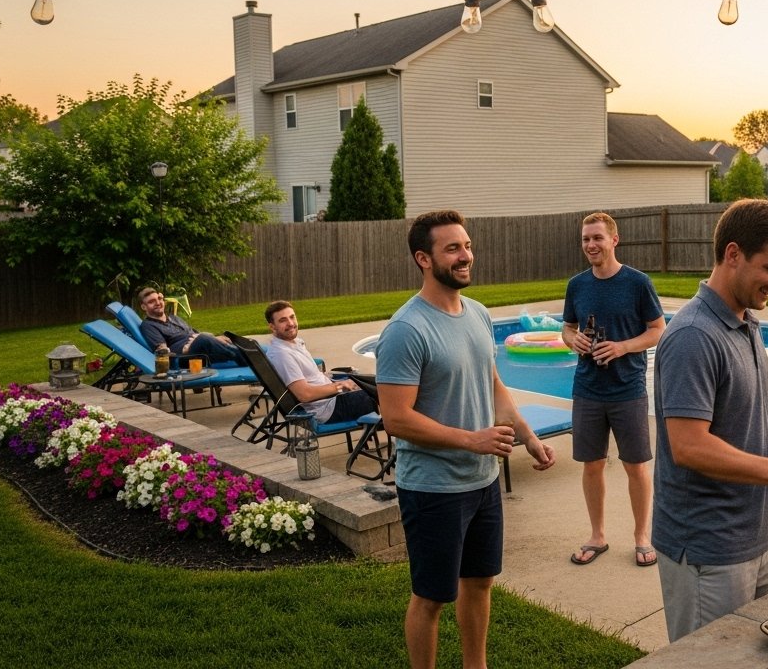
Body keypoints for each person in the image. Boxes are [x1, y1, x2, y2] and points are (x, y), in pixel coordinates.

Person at [652, 198, 768, 642]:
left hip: (748, 539)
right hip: (707, 547)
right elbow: (689, 445)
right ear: (733, 254)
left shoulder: (743, 321)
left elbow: (737, 410)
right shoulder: (694, 336)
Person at [375, 209, 557, 669]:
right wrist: (471, 441)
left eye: (467, 245)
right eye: (452, 248)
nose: (465, 255)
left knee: (478, 584)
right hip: (433, 488)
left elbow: (492, 384)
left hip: (482, 483)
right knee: (431, 598)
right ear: (423, 258)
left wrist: (529, 437)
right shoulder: (405, 330)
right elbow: (395, 419)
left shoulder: (477, 313)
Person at [561, 212, 666, 568]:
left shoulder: (637, 283)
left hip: (628, 389)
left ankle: (641, 537)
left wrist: (622, 347)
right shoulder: (577, 285)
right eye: (586, 239)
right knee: (591, 465)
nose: (591, 245)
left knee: (635, 466)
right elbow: (567, 327)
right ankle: (597, 536)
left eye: (597, 238)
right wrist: (572, 340)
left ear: (613, 240)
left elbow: (657, 329)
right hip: (587, 389)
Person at [263, 300, 376, 425]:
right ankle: (397, 437)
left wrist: (335, 379)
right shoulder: (282, 354)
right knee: (386, 393)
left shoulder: (293, 343)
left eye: (292, 317)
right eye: (282, 320)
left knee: (372, 383)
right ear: (272, 326)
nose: (290, 323)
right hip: (327, 409)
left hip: (330, 398)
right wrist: (340, 386)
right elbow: (304, 395)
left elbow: (310, 379)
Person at [136, 286, 243, 365]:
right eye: (151, 302)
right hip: (184, 357)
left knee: (227, 338)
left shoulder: (174, 318)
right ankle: (246, 358)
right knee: (204, 339)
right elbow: (162, 352)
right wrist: (184, 350)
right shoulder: (148, 325)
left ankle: (246, 354)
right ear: (144, 307)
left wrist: (215, 339)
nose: (158, 303)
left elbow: (195, 334)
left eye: (159, 299)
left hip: (201, 350)